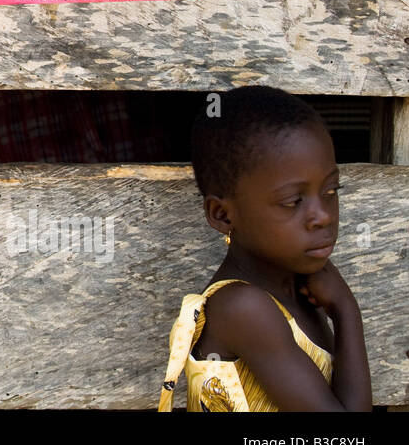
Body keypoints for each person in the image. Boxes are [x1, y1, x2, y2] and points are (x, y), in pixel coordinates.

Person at [159, 86, 371, 411]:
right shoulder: (242, 308)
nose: (323, 216)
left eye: (331, 190)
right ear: (222, 215)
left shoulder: (300, 287)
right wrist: (346, 311)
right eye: (293, 201)